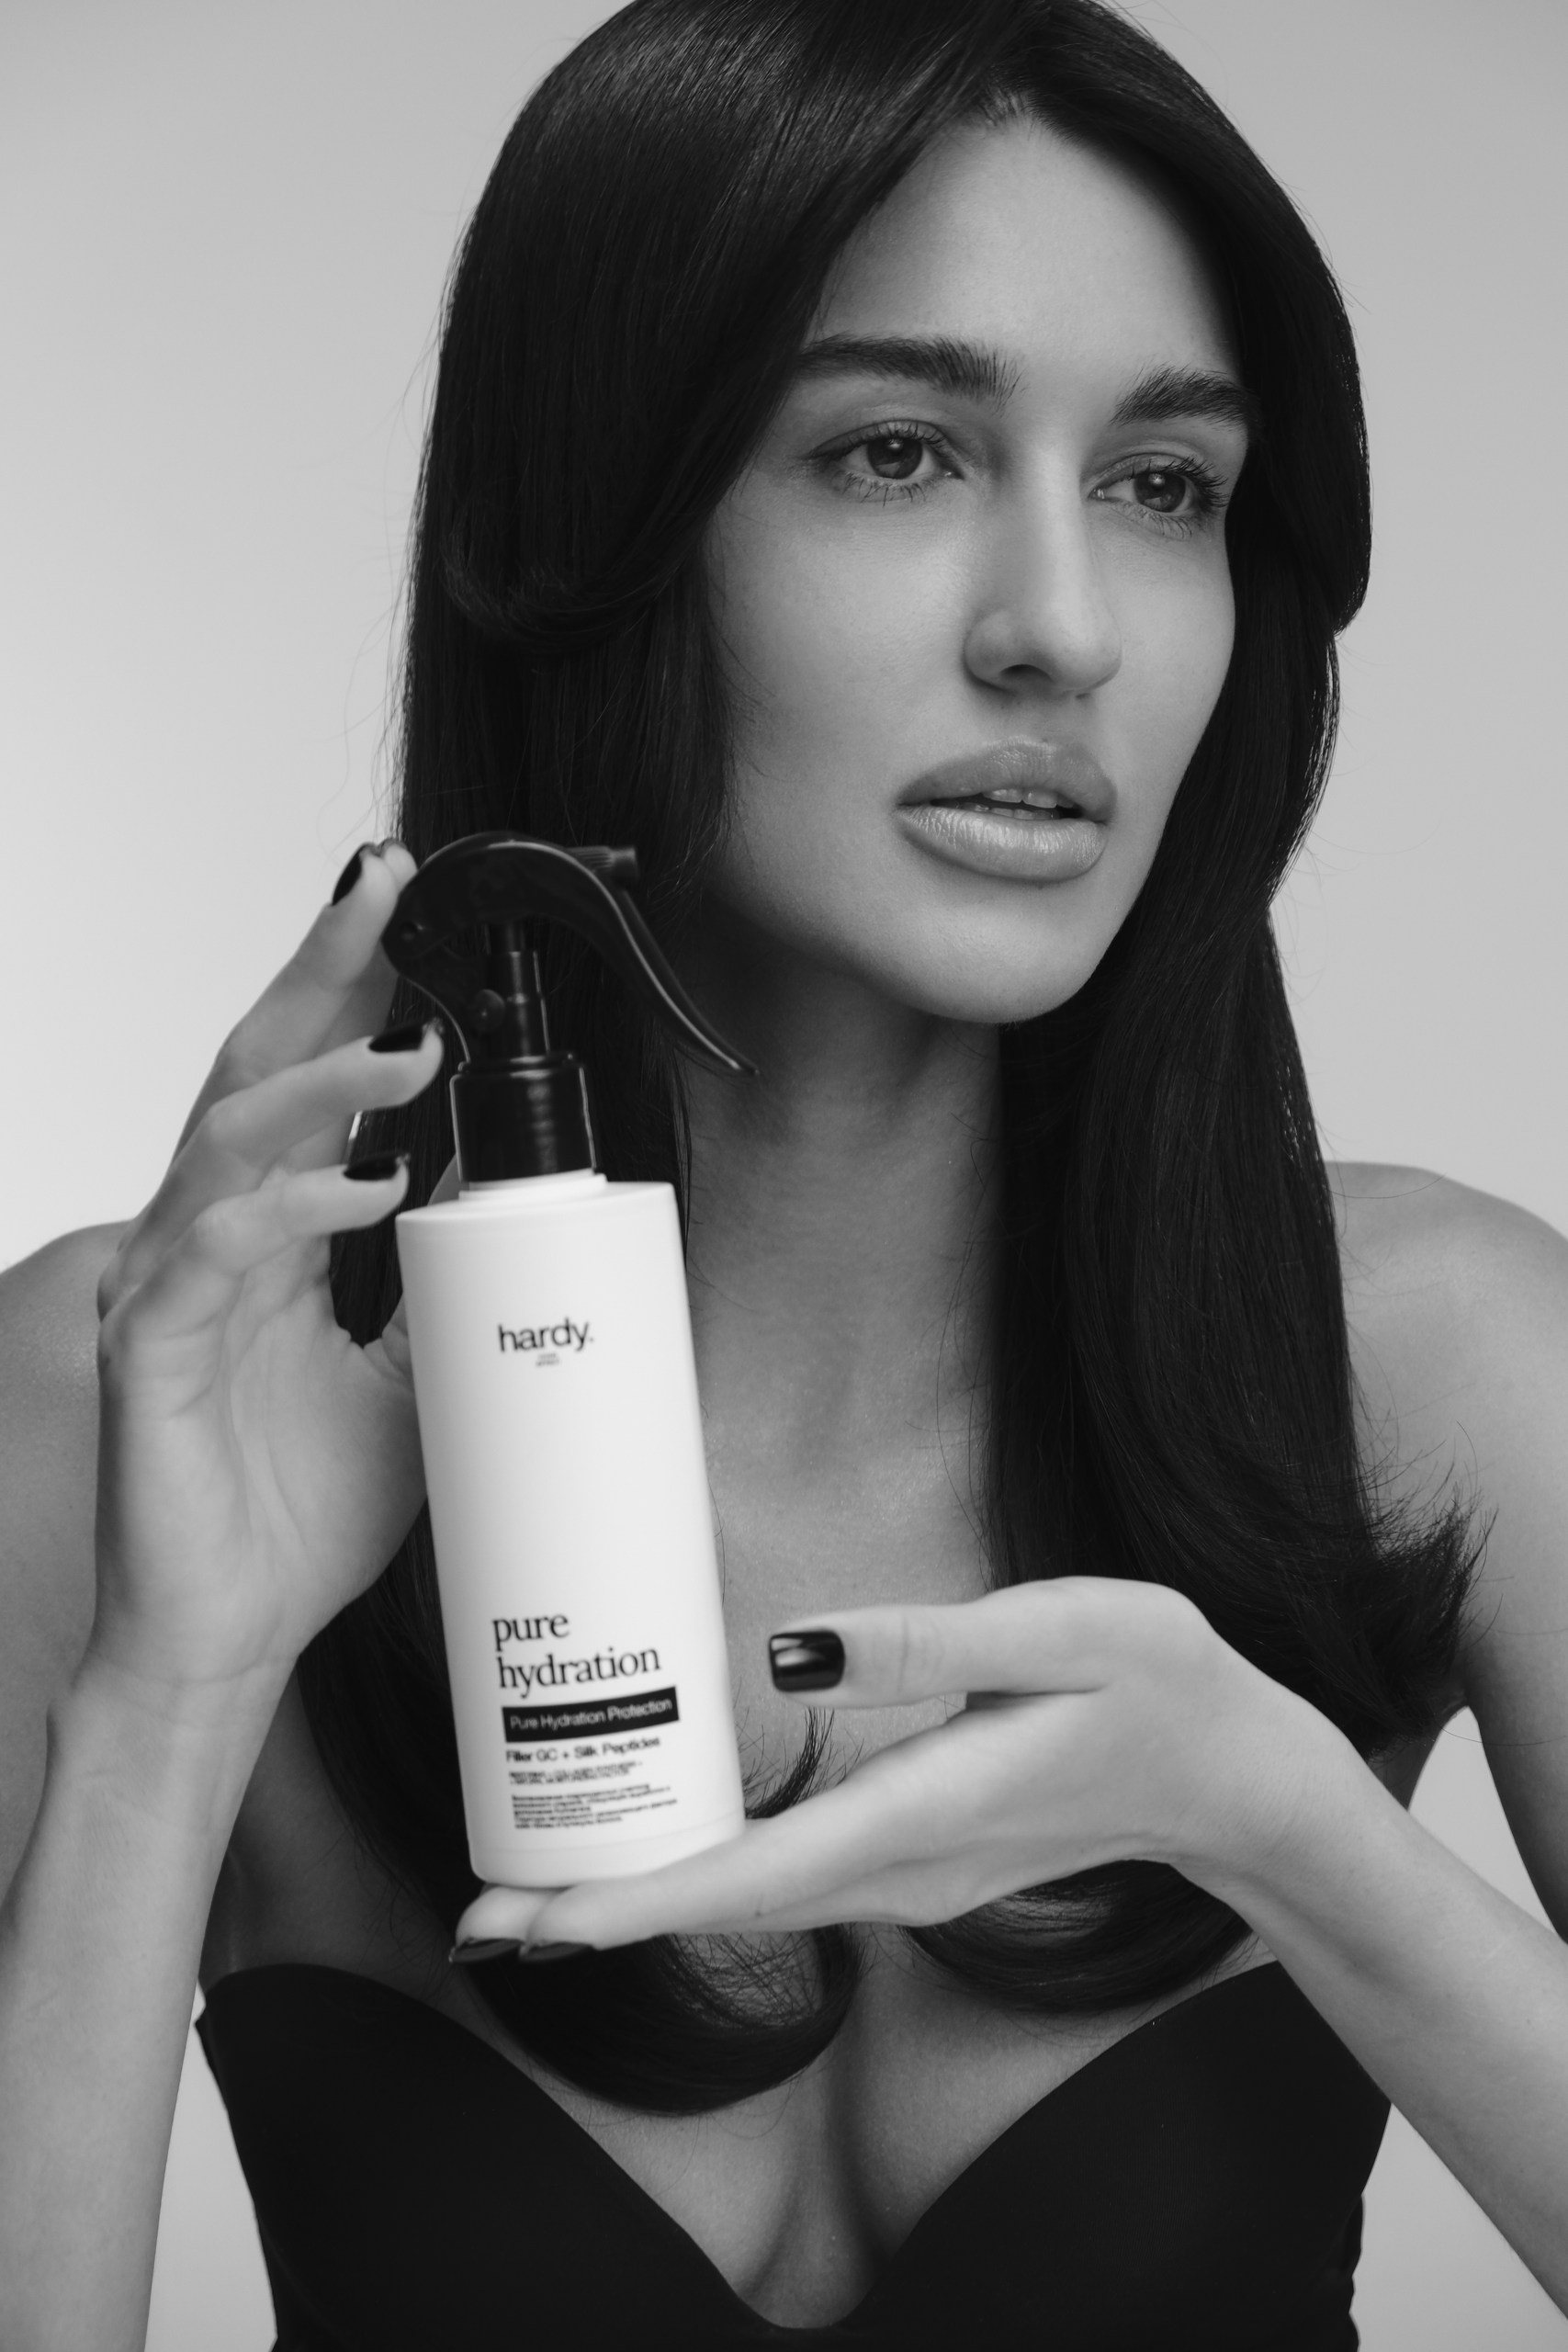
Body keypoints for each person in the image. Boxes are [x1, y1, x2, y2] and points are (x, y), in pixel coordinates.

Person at [3, 0, 1566, 2344]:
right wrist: (167, 1699)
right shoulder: (130, 1403)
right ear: (599, 528)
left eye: (1162, 485)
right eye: (896, 452)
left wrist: (1298, 1838)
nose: (1061, 629)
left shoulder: (1435, 1364)